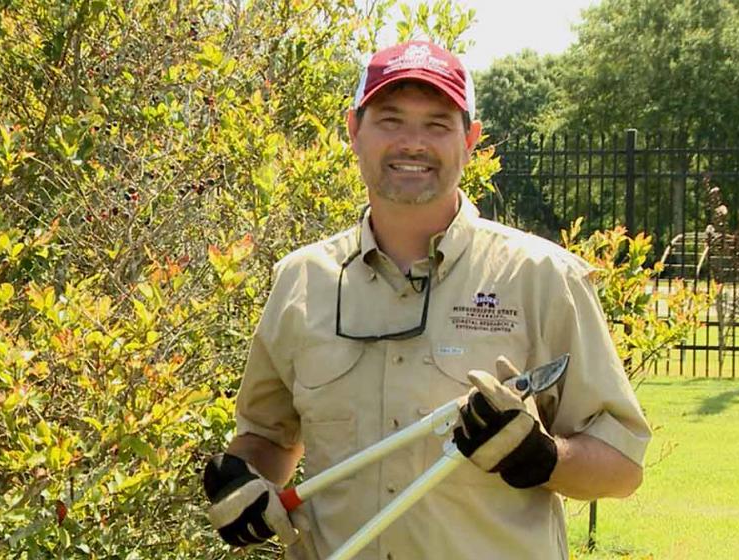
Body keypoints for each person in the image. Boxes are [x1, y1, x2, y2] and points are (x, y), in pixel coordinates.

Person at [202, 41, 651, 560]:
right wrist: (243, 483)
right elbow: (268, 441)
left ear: (470, 141)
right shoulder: (301, 282)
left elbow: (623, 467)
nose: (412, 143)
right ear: (354, 130)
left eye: (437, 124)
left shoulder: (544, 279)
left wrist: (545, 457)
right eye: (390, 120)